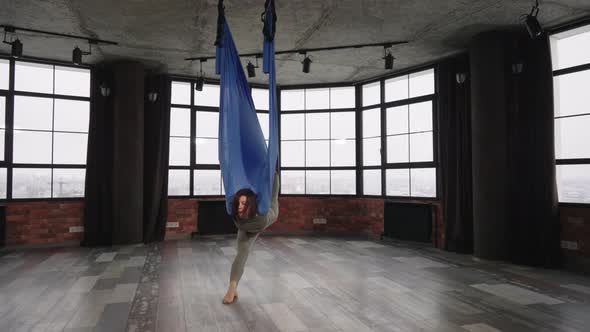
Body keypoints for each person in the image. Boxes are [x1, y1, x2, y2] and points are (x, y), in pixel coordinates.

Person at [223, 172, 280, 304]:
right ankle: (232, 288)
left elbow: (271, 195)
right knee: (241, 253)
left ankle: (273, 175)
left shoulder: (262, 217)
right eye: (238, 203)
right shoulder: (235, 213)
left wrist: (273, 174)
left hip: (269, 213)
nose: (239, 206)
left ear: (250, 205)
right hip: (245, 227)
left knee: (272, 197)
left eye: (243, 203)